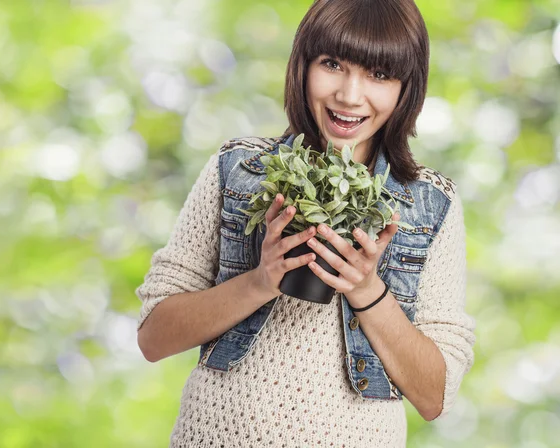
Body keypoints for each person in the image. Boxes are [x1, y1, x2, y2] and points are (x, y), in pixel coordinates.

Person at [136, 0, 476, 446]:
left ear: (405, 88)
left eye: (378, 74)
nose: (350, 95)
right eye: (332, 64)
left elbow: (435, 396)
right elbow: (153, 338)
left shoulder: (430, 204)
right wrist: (261, 279)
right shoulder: (239, 170)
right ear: (303, 65)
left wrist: (366, 289)